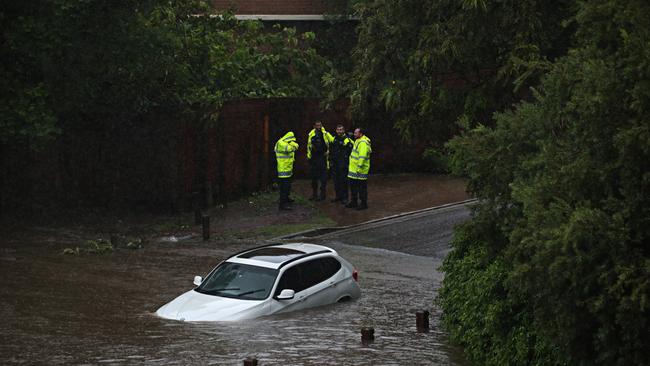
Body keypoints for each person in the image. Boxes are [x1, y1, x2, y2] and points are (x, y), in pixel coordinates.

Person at [306, 121, 334, 201]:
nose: (319, 127)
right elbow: (308, 145)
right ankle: (314, 194)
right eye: (317, 125)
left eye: (320, 125)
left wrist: (329, 151)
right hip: (314, 158)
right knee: (314, 178)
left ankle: (322, 195)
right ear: (314, 126)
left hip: (322, 158)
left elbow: (332, 141)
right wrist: (309, 156)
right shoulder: (311, 134)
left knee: (323, 178)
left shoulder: (325, 133)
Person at [346, 127, 372, 210]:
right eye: (354, 132)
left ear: (360, 134)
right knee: (353, 187)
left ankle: (363, 204)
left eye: (356, 133)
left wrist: (359, 168)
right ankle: (354, 202)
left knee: (361, 188)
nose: (354, 134)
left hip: (360, 170)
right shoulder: (358, 141)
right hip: (354, 170)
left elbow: (362, 156)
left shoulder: (363, 143)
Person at [274, 131, 299, 210]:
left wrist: (293, 145)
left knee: (287, 187)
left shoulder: (285, 142)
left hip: (288, 169)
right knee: (284, 188)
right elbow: (290, 148)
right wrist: (293, 146)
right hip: (283, 170)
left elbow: (296, 145)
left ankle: (286, 199)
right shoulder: (280, 143)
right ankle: (282, 205)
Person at [329, 124, 353, 203]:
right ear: (336, 130)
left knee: (344, 181)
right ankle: (338, 196)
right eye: (338, 130)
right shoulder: (334, 139)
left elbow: (349, 150)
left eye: (341, 129)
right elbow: (331, 150)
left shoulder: (346, 139)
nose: (340, 131)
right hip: (335, 163)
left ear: (344, 130)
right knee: (336, 181)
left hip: (343, 163)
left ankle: (345, 198)